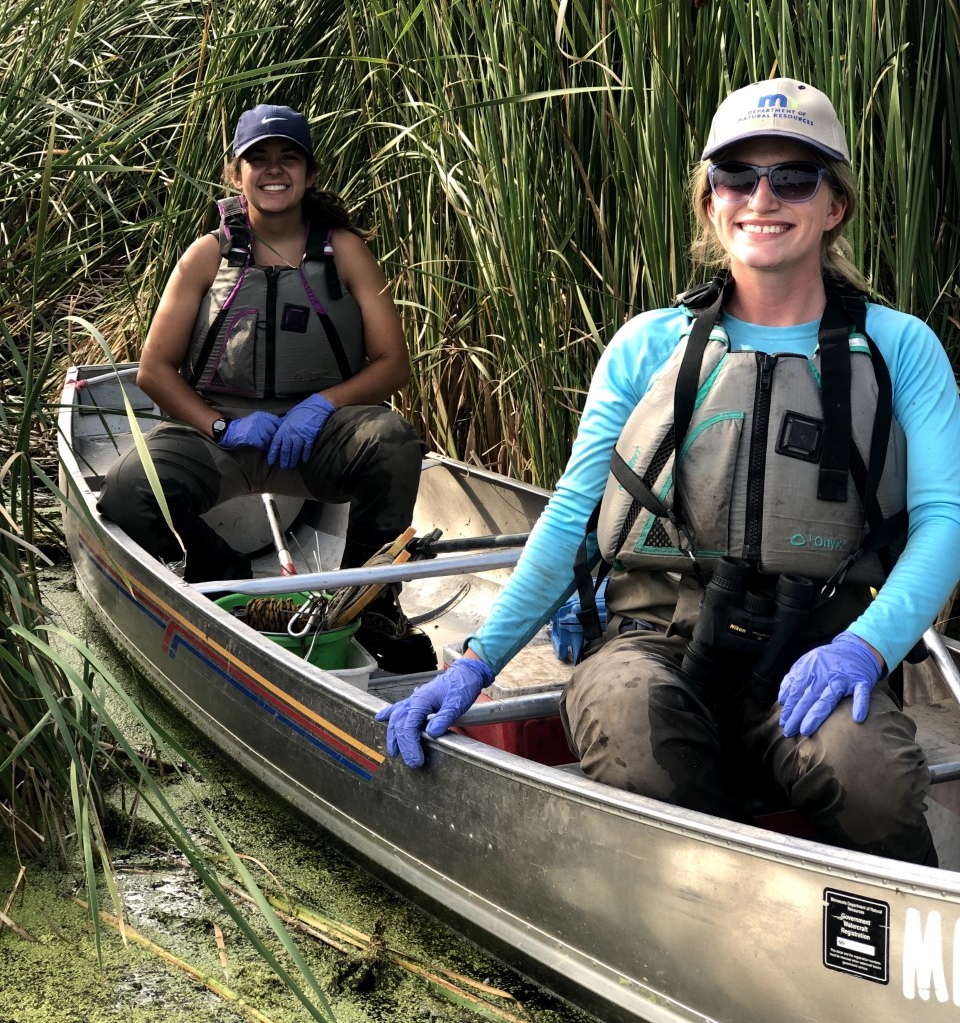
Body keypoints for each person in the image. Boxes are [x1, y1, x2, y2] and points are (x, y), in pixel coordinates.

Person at [377, 78, 960, 864]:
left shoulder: (902, 348)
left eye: (794, 176)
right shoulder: (650, 344)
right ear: (711, 200)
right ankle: (696, 906)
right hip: (655, 638)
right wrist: (480, 661)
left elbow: (944, 522)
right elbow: (574, 512)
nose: (763, 196)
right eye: (737, 176)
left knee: (870, 774)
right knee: (632, 725)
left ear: (835, 205)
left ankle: (889, 935)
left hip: (819, 645)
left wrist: (864, 648)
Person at [98, 103, 436, 674]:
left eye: (288, 158)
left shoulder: (345, 252)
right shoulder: (207, 256)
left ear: (308, 172)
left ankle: (370, 603)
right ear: (236, 172)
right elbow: (154, 371)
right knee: (128, 491)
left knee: (394, 441)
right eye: (259, 158)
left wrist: (321, 405)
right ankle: (220, 581)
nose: (273, 170)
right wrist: (222, 424)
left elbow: (392, 363)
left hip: (318, 434)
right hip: (220, 434)